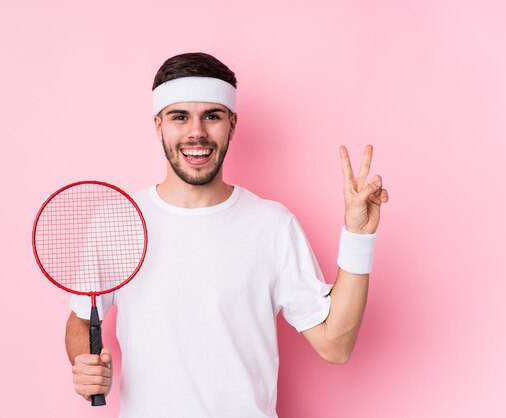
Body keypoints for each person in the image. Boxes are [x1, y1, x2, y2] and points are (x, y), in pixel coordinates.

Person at [65, 52, 389, 417]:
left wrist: (358, 236)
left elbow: (335, 345)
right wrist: (84, 362)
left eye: (212, 116)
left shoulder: (272, 225)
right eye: (180, 117)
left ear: (232, 124)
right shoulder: (117, 221)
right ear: (158, 125)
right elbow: (81, 318)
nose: (196, 132)